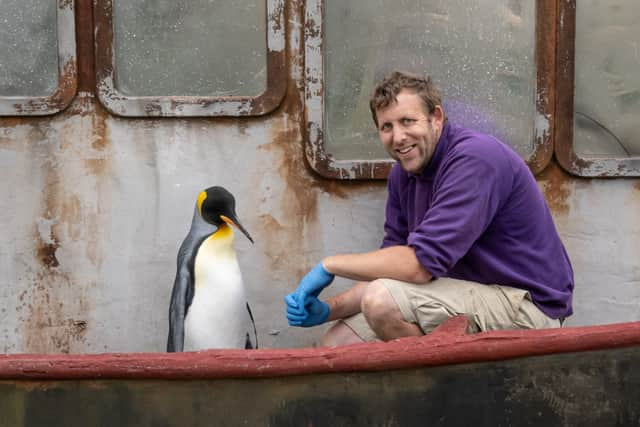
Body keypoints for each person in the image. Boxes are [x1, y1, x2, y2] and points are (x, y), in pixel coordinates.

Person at [285, 70, 574, 346]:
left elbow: (418, 267)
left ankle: (444, 393)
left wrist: (329, 265)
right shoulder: (403, 174)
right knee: (334, 345)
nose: (398, 137)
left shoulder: (475, 160)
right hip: (463, 296)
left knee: (381, 301)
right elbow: (392, 270)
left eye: (408, 121)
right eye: (387, 127)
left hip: (527, 308)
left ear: (436, 118)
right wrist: (327, 310)